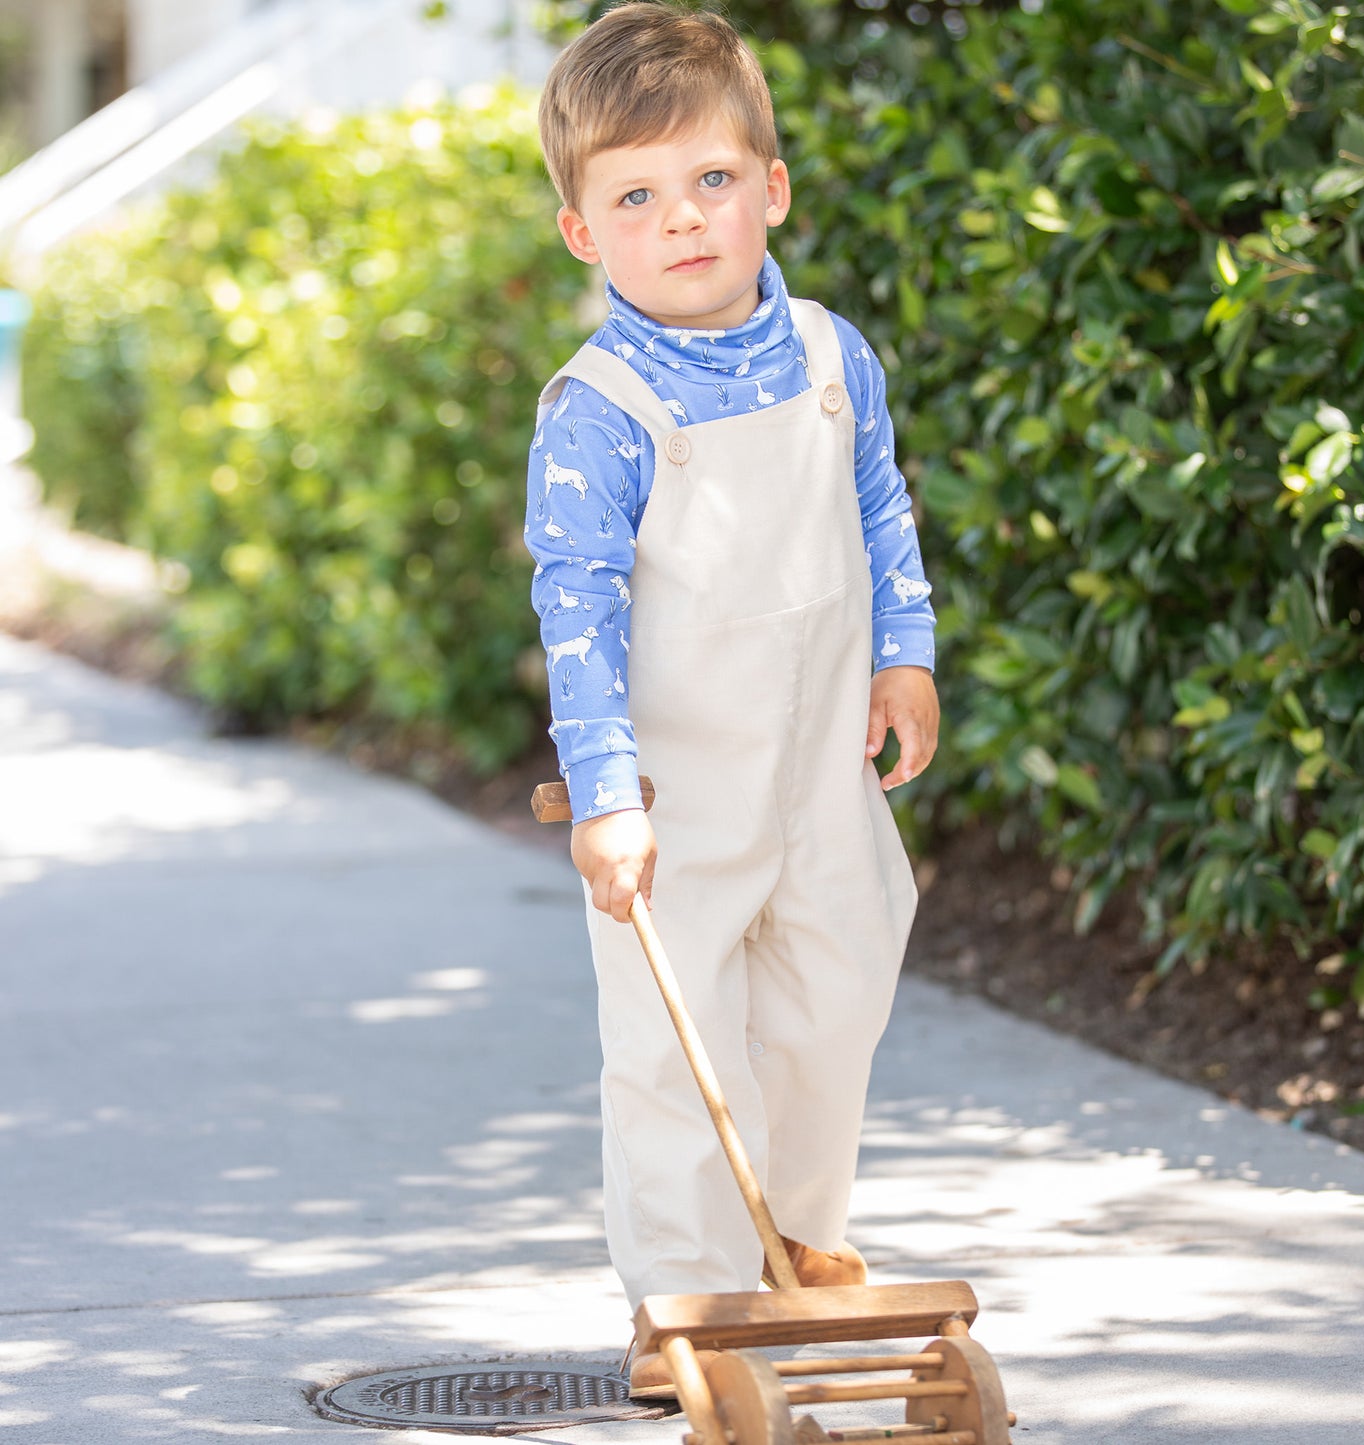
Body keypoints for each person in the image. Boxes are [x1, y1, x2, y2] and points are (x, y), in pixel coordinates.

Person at [525, 0, 939, 1398]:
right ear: (585, 232)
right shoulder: (598, 407)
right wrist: (602, 797)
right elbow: (575, 605)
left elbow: (879, 510)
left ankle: (799, 1239)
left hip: (820, 754)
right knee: (671, 1033)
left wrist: (906, 655)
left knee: (840, 980)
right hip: (676, 790)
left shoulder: (830, 355)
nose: (682, 219)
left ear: (769, 187)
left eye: (710, 181)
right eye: (635, 196)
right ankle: (682, 1296)